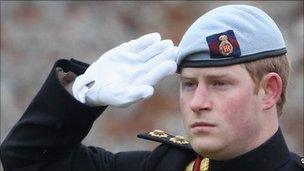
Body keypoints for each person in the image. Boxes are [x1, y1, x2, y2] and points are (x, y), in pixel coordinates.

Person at [0, 4, 303, 171]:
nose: (197, 102)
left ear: (269, 90)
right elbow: (28, 161)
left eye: (219, 84)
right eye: (188, 84)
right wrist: (81, 94)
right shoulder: (165, 167)